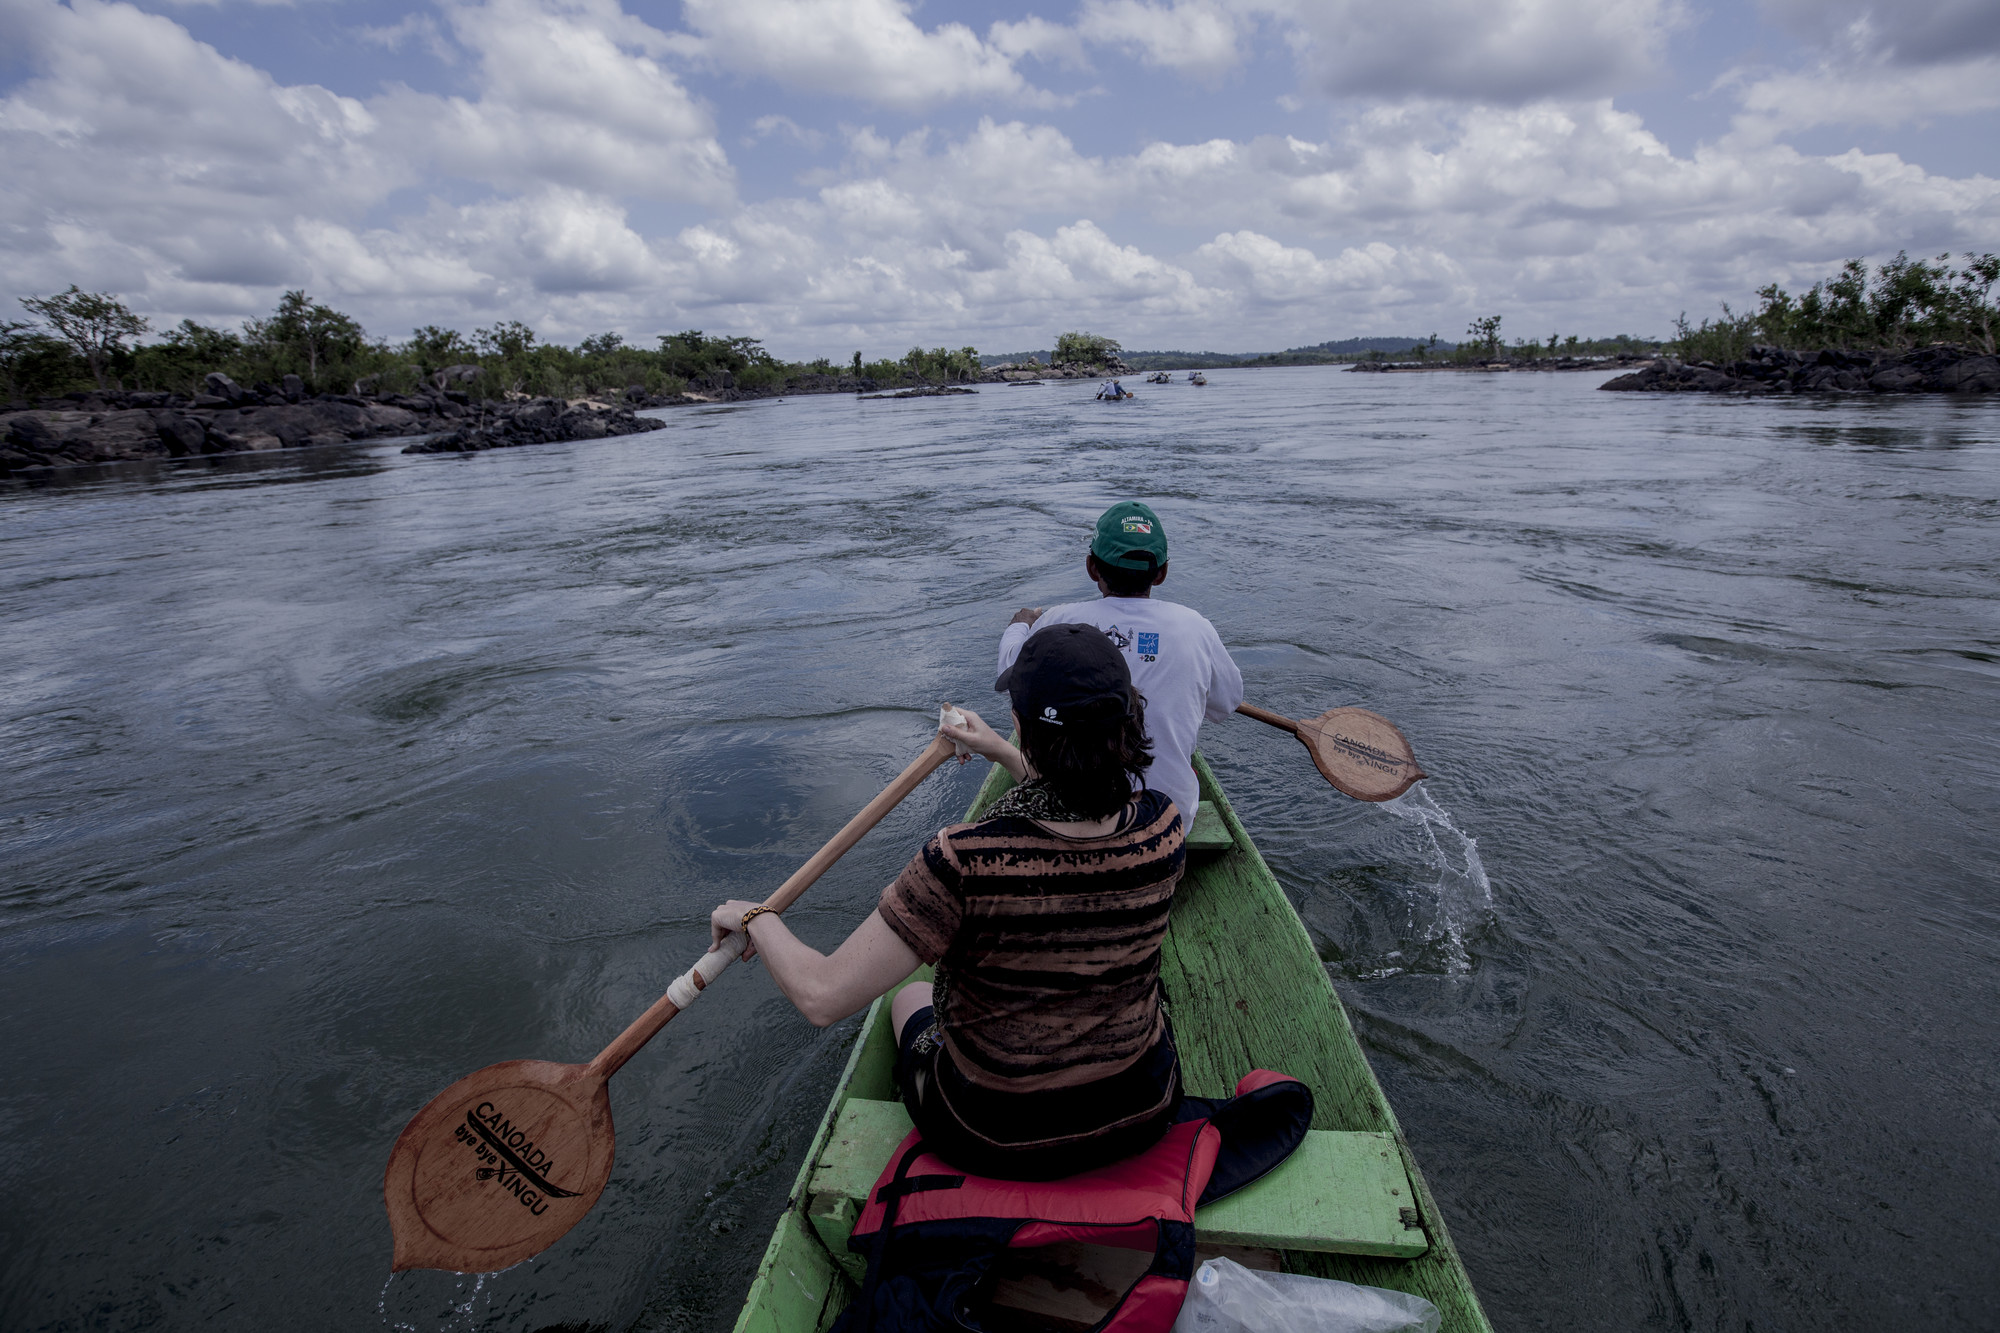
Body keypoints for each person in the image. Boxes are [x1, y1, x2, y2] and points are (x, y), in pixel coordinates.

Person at [709, 625, 1187, 1179]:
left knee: (909, 997)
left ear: (1023, 724)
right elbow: (1078, 806)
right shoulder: (1164, 824)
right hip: (1142, 1107)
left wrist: (755, 918)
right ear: (1126, 722)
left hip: (995, 1132)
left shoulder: (965, 859)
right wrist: (1002, 752)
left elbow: (822, 996)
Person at [998, 501, 1244, 825]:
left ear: (1091, 568)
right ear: (1162, 573)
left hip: (1077, 815)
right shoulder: (1195, 627)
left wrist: (1020, 623)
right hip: (1170, 820)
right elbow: (1226, 704)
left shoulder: (1060, 621)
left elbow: (1009, 673)